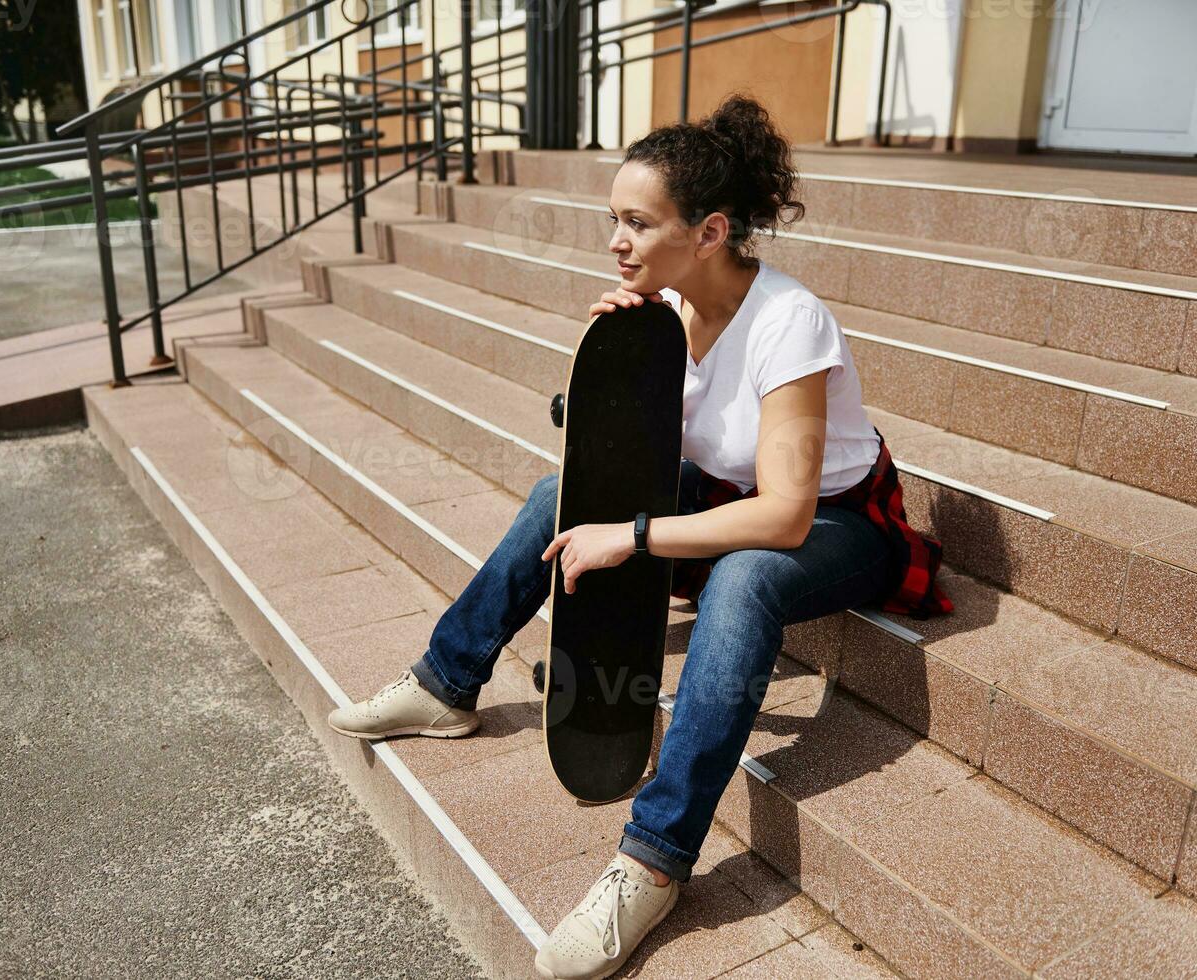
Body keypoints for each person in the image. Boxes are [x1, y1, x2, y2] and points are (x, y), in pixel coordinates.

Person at [327, 92, 953, 979]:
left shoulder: (788, 322)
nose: (615, 241)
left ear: (709, 231)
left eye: (636, 222)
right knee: (557, 494)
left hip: (841, 526)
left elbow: (784, 516)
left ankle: (652, 862)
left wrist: (636, 535)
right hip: (725, 498)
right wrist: (618, 368)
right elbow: (623, 456)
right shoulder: (660, 314)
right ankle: (446, 682)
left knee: (743, 578)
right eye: (611, 220)